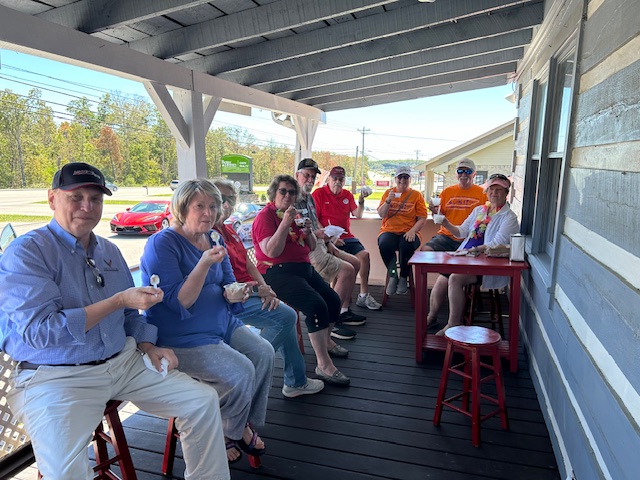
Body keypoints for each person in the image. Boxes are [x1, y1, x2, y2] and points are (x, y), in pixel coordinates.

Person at [0, 162, 229, 480]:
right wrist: (118, 300)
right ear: (52, 199)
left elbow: (129, 316)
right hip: (58, 376)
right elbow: (40, 332)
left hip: (123, 363)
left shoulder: (108, 250)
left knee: (202, 401)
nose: (87, 206)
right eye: (76, 197)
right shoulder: (27, 253)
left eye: (95, 199)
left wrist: (148, 345)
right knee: (65, 474)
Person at [140, 178, 275, 464]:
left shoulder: (214, 238)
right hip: (182, 337)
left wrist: (236, 292)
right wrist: (203, 263)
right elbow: (180, 301)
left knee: (264, 352)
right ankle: (233, 431)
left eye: (213, 206)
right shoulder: (163, 243)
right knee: (241, 370)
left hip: (221, 323)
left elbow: (228, 281)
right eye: (199, 206)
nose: (208, 212)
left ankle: (236, 424)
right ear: (182, 208)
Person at [211, 178, 324, 398]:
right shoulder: (209, 236)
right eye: (221, 198)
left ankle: (296, 381)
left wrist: (266, 288)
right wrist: (257, 290)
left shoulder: (229, 230)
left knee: (286, 316)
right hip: (231, 300)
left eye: (231, 199)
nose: (226, 204)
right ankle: (239, 372)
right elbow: (222, 283)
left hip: (253, 290)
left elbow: (249, 265)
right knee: (286, 317)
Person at [252, 174, 351, 386]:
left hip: (303, 268)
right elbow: (271, 251)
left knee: (333, 301)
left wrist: (308, 232)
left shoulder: (295, 215)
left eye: (292, 192)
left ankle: (325, 342)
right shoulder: (265, 217)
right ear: (273, 193)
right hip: (277, 272)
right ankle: (323, 364)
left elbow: (312, 246)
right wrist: (285, 223)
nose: (288, 195)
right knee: (316, 306)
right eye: (283, 191)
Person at [428, 173, 520, 336]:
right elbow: (461, 232)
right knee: (442, 279)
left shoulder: (509, 217)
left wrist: (473, 250)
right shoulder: (480, 210)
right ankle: (431, 317)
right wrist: (444, 222)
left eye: (499, 190)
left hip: (487, 263)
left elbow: (496, 244)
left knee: (455, 278)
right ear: (486, 192)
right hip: (465, 257)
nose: (494, 193)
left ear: (507, 193)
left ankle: (453, 324)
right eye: (491, 189)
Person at [294, 158, 366, 339]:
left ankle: (342, 310)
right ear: (297, 176)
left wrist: (328, 242)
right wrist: (319, 234)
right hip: (306, 251)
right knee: (347, 270)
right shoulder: (292, 199)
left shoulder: (309, 198)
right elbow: (296, 232)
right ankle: (331, 321)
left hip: (322, 243)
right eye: (306, 176)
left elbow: (314, 226)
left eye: (313, 177)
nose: (310, 180)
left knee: (356, 262)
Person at [312, 166, 382, 310]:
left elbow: (358, 214)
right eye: (335, 178)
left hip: (346, 236)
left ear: (344, 181)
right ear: (329, 179)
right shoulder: (319, 194)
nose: (337, 182)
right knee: (344, 265)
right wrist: (329, 237)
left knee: (364, 256)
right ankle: (341, 299)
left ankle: (363, 295)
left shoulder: (347, 195)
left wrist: (361, 200)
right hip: (328, 239)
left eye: (341, 179)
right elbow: (315, 220)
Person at [377, 165, 428, 296]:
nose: (403, 180)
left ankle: (404, 277)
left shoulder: (416, 195)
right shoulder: (388, 193)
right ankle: (393, 275)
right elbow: (382, 214)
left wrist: (413, 231)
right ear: (395, 179)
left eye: (406, 177)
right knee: (384, 244)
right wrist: (388, 201)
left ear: (410, 179)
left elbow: (422, 218)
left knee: (406, 245)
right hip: (389, 230)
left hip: (409, 231)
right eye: (400, 177)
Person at [422, 158, 488, 251]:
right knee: (426, 249)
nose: (463, 174)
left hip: (471, 237)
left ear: (474, 174)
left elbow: (489, 216)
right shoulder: (447, 192)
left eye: (468, 171)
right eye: (460, 171)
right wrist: (434, 212)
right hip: (447, 236)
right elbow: (438, 217)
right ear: (456, 174)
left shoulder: (484, 193)